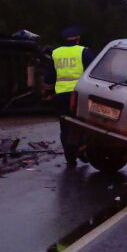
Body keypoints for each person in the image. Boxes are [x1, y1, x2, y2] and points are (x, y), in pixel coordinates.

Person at [46, 25, 95, 167]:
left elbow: (48, 78)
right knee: (82, 124)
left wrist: (48, 92)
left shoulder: (56, 53)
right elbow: (93, 72)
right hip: (79, 95)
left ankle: (70, 157)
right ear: (77, 39)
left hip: (61, 95)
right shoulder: (84, 52)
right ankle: (81, 149)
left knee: (65, 127)